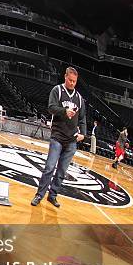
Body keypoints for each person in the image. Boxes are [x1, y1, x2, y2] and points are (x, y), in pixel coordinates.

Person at [31, 67, 86, 208]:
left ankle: (53, 195)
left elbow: (83, 118)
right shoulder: (57, 90)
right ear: (65, 77)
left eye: (75, 81)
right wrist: (64, 111)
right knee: (49, 167)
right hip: (57, 135)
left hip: (72, 140)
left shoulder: (79, 98)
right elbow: (51, 107)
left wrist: (83, 134)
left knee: (62, 171)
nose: (72, 83)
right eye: (70, 80)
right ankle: (39, 194)